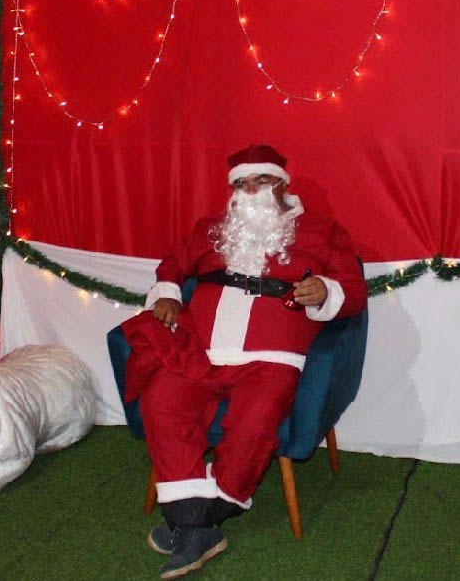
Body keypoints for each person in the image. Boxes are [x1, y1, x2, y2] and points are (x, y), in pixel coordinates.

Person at [119, 143, 367, 578]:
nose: (251, 190)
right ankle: (197, 524)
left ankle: (198, 518)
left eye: (262, 180)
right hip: (202, 350)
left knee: (255, 419)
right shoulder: (210, 229)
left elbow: (354, 292)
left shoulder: (322, 230)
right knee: (161, 399)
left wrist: (325, 292)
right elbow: (172, 265)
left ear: (283, 183)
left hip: (272, 356)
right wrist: (168, 295)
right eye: (242, 183)